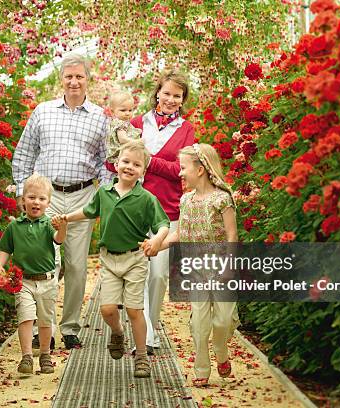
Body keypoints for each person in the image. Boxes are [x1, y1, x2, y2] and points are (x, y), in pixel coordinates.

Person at [12, 54, 111, 350]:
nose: (73, 81)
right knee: (47, 266)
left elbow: (108, 162)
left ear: (88, 80)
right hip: (47, 198)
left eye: (79, 76)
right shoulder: (43, 112)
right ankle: (46, 328)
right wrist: (22, 192)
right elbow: (24, 154)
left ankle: (70, 328)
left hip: (82, 198)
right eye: (69, 76)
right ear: (61, 79)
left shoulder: (100, 117)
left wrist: (103, 197)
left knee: (77, 267)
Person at [54, 140, 170, 378]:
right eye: (125, 162)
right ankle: (117, 333)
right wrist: (66, 218)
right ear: (116, 164)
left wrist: (157, 240)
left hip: (135, 259)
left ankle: (140, 357)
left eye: (136, 164)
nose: (129, 167)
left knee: (134, 309)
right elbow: (87, 211)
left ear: (143, 171)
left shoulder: (146, 198)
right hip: (109, 260)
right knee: (107, 310)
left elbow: (163, 225)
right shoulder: (104, 193)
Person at [106, 69, 195, 353]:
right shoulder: (135, 124)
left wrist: (147, 160)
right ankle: (145, 339)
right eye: (166, 93)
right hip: (132, 211)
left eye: (176, 96)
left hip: (167, 211)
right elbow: (113, 162)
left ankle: (151, 325)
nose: (170, 99)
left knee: (158, 275)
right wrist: (128, 162)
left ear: (182, 100)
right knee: (138, 276)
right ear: (157, 92)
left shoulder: (186, 130)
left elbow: (181, 171)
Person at [160, 143, 240, 386]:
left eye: (183, 168)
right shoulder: (186, 200)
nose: (180, 173)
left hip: (221, 265)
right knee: (199, 323)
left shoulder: (221, 199)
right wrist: (156, 246)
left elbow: (232, 236)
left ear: (201, 170)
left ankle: (221, 351)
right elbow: (180, 235)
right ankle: (202, 369)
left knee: (223, 321)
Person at [0, 173, 68, 375]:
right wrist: (0, 265)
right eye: (32, 197)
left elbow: (59, 240)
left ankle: (45, 354)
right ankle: (26, 356)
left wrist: (63, 228)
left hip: (46, 281)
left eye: (42, 199)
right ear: (23, 200)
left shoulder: (47, 225)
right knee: (25, 318)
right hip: (23, 281)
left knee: (45, 321)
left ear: (48, 203)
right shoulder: (14, 227)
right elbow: (5, 249)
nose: (36, 202)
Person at [105, 91, 141, 163]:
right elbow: (123, 139)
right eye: (123, 110)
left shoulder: (114, 122)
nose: (127, 113)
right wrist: (137, 142)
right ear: (112, 111)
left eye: (130, 110)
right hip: (121, 153)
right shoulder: (120, 124)